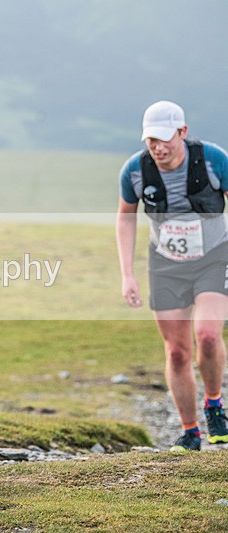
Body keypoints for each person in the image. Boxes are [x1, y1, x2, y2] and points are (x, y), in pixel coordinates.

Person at [116, 100, 228, 451]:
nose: (158, 147)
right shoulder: (134, 170)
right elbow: (125, 218)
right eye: (151, 140)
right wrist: (127, 275)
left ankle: (214, 405)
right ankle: (190, 431)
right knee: (177, 352)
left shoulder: (213, 161)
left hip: (212, 258)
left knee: (207, 336)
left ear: (182, 132)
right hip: (165, 265)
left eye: (164, 139)